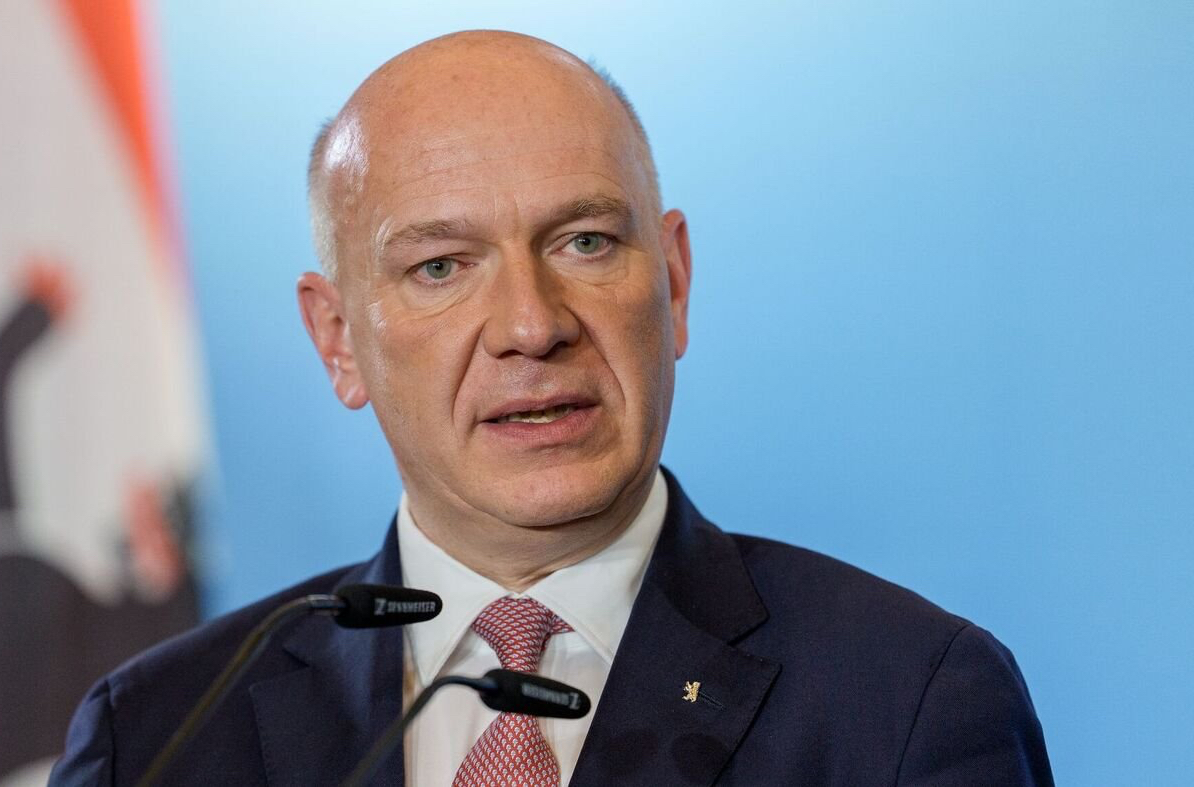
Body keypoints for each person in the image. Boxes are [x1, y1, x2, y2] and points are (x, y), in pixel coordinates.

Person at [51, 30, 1053, 786]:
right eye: (441, 266)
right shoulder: (160, 734)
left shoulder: (908, 699)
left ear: (674, 283)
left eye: (584, 243)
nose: (532, 326)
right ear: (338, 339)